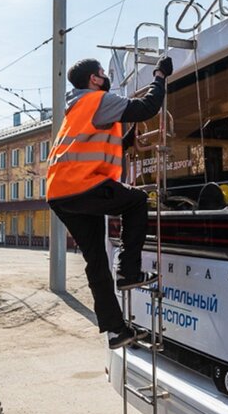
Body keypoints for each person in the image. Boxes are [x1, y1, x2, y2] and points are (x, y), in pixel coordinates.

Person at [47, 55, 171, 349]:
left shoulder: (76, 107)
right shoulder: (98, 100)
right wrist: (160, 76)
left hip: (60, 194)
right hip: (84, 186)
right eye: (102, 73)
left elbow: (95, 144)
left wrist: (128, 140)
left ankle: (116, 330)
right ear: (94, 79)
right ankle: (128, 272)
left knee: (96, 260)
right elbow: (147, 107)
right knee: (137, 201)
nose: (105, 77)